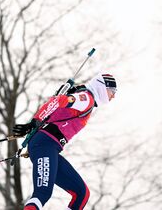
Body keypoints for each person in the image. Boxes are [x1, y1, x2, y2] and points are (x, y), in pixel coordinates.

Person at [12, 73, 117, 210]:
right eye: (112, 91)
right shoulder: (86, 99)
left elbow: (55, 103)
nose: (113, 96)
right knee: (42, 193)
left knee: (82, 193)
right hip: (45, 145)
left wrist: (34, 122)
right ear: (102, 87)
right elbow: (58, 101)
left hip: (49, 147)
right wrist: (34, 122)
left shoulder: (85, 98)